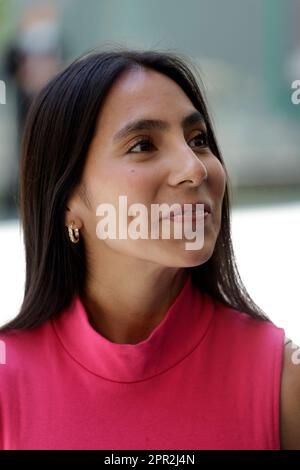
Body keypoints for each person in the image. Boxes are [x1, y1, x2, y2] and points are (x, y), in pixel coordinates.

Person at [0, 48, 299, 450]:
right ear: (69, 201)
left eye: (198, 139)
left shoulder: (283, 380)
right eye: (143, 145)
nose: (195, 168)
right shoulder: (8, 383)